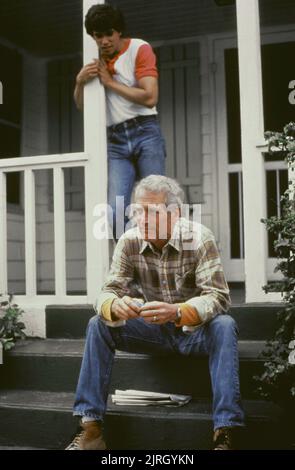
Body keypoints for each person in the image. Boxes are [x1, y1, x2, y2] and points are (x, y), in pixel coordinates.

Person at [66, 175, 245, 451]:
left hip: (193, 333)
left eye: (151, 212)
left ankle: (225, 432)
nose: (142, 219)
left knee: (225, 325)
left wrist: (178, 312)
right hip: (152, 333)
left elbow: (219, 297)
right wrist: (113, 305)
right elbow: (106, 291)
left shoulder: (199, 238)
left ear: (174, 214)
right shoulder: (129, 241)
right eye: (137, 211)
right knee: (98, 323)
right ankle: (90, 429)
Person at [74, 3, 166, 238]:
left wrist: (111, 82)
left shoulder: (139, 48)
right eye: (98, 36)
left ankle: (160, 268)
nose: (104, 41)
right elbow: (82, 106)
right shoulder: (94, 60)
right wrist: (79, 82)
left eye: (109, 34)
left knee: (156, 206)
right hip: (115, 141)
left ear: (119, 31)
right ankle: (131, 266)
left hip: (145, 132)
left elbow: (150, 96)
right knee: (115, 214)